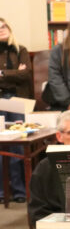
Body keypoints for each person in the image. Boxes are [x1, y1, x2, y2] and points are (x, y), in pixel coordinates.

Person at [0, 18, 32, 201]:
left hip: (17, 101)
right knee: (1, 149)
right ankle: (3, 192)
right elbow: (18, 74)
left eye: (3, 27)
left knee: (19, 148)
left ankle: (21, 192)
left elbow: (25, 75)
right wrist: (14, 74)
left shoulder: (20, 50)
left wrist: (2, 74)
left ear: (9, 29)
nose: (1, 30)